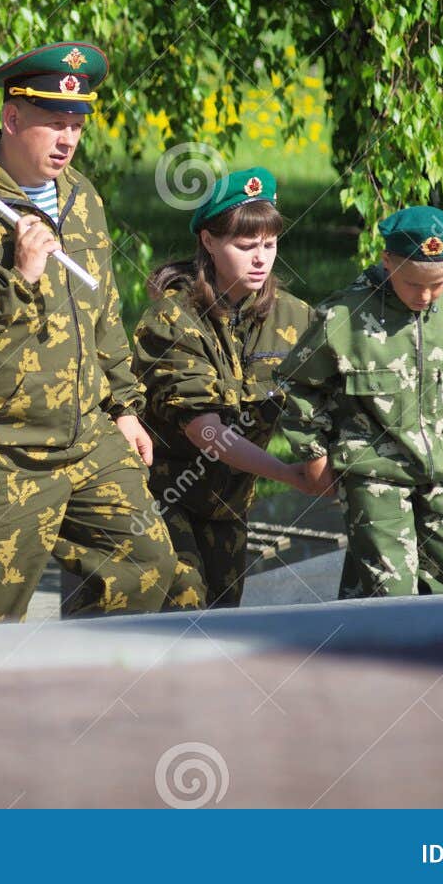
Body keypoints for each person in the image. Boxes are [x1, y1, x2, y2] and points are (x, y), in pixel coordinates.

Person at [0, 41, 177, 625]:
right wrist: (15, 279)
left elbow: (103, 312)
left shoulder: (82, 199)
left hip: (83, 437)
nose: (67, 139)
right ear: (12, 118)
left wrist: (123, 408)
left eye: (76, 124)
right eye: (52, 124)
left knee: (145, 564)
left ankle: (78, 702)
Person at [274, 205, 443, 599]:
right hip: (373, 469)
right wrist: (314, 454)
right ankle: (384, 656)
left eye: (437, 284)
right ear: (387, 262)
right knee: (391, 592)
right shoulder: (344, 315)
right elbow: (298, 385)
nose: (424, 295)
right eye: (411, 283)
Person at [132, 167, 319, 610]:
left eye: (269, 245)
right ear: (209, 242)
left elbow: (322, 401)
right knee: (184, 603)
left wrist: (322, 460)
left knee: (223, 618)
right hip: (160, 496)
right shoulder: (172, 320)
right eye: (245, 245)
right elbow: (205, 430)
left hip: (229, 503)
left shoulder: (295, 321)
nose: (261, 259)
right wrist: (291, 475)